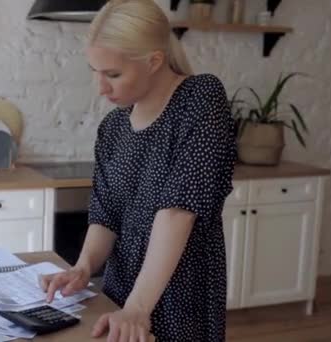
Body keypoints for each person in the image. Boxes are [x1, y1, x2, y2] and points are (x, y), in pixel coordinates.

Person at [39, 0, 237, 341]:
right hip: (121, 293)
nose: (101, 88)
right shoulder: (113, 128)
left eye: (113, 74)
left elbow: (178, 212)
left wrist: (138, 308)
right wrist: (83, 268)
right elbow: (106, 215)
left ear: (154, 61)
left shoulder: (200, 99)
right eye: (95, 72)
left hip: (178, 295)